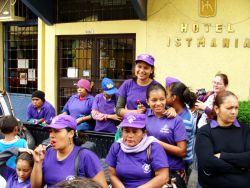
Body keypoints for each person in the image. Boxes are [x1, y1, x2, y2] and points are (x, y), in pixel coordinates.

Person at [30, 114, 108, 188]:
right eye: (50, 131)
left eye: (57, 131)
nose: (51, 135)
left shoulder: (86, 156)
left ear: (71, 133)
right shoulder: (48, 153)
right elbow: (35, 186)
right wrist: (37, 163)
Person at [195, 90, 250, 188]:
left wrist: (223, 156)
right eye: (229, 108)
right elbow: (207, 163)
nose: (234, 112)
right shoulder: (205, 132)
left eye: (236, 108)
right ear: (216, 108)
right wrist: (241, 168)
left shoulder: (246, 130)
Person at [106, 113, 169, 188]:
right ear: (122, 131)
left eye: (135, 132)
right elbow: (112, 175)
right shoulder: (116, 147)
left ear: (144, 133)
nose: (130, 136)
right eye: (126, 131)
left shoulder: (153, 147)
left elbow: (163, 177)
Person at [145, 83, 187, 188]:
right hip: (149, 170)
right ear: (147, 101)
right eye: (154, 100)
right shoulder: (144, 116)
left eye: (162, 99)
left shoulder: (176, 120)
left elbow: (182, 151)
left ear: (166, 99)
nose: (158, 103)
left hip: (172, 170)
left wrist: (156, 143)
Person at [165, 82, 196, 172]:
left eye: (167, 94)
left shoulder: (185, 121)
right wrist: (171, 108)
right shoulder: (181, 107)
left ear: (174, 98)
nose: (164, 97)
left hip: (182, 164)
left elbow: (181, 150)